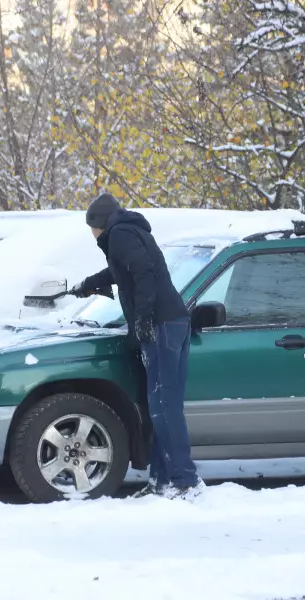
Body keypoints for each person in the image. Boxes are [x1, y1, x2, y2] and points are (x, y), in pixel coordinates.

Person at [70, 193, 204, 500]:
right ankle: (162, 481)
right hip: (171, 322)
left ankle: (187, 481)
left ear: (99, 223)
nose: (92, 235)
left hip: (162, 325)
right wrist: (88, 283)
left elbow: (144, 273)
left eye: (91, 227)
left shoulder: (119, 234)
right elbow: (123, 272)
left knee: (164, 407)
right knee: (160, 406)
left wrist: (143, 317)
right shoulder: (129, 231)